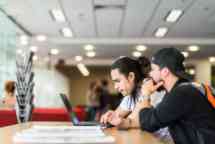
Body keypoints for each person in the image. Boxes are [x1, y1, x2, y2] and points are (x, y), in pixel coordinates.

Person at [133, 47, 215, 144]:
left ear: (165, 71)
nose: (150, 73)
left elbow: (147, 123)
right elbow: (154, 116)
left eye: (153, 69)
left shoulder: (181, 93)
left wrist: (146, 94)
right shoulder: (185, 88)